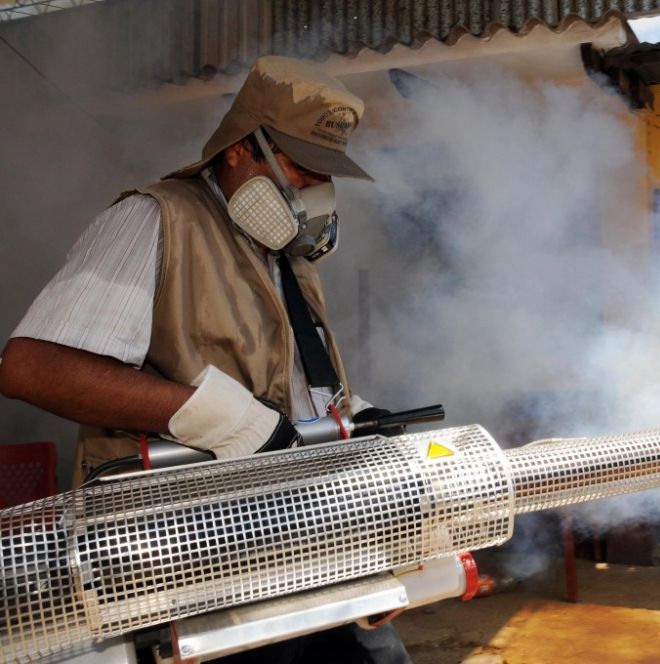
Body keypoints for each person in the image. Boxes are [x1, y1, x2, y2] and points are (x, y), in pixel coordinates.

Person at [0, 55, 410, 664]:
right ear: (240, 149)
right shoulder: (156, 218)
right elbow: (31, 368)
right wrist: (221, 419)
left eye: (324, 174)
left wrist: (350, 422)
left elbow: (292, 396)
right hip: (191, 570)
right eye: (300, 167)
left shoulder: (288, 259)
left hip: (303, 549)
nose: (313, 190)